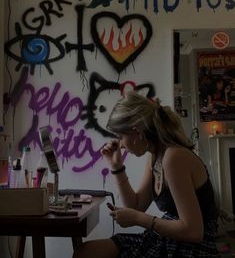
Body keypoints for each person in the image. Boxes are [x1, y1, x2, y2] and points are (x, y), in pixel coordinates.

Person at [73, 91, 219, 258]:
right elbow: (135, 206)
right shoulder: (155, 155)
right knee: (85, 252)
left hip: (192, 247)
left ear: (137, 132)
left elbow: (194, 232)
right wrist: (116, 166)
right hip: (167, 239)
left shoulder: (174, 157)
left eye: (121, 136)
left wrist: (139, 219)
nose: (120, 144)